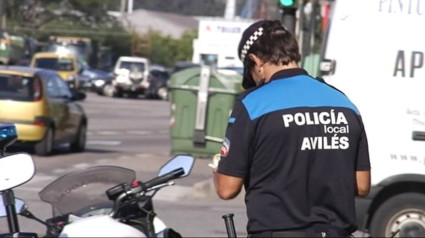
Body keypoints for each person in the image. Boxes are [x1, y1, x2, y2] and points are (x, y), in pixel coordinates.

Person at [212, 20, 371, 237]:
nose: (256, 81)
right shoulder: (343, 102)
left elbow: (227, 189)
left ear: (255, 61)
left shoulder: (253, 103)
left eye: (252, 74)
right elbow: (362, 186)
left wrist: (218, 169)